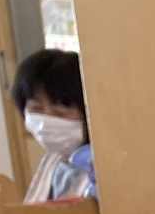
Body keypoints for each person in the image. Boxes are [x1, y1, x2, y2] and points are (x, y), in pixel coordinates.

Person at [10, 49, 95, 202]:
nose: (46, 122)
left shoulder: (99, 167)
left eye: (60, 113)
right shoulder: (51, 161)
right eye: (36, 109)